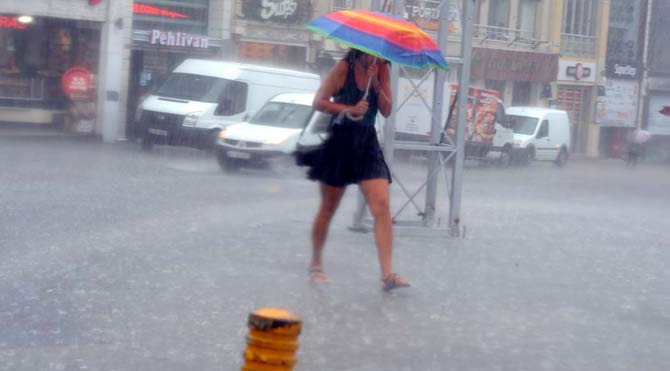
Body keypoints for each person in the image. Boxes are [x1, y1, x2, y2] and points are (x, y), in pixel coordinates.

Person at [307, 49, 410, 291]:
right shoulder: (344, 67)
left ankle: (388, 274)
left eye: (379, 51)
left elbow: (386, 110)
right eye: (372, 51)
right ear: (361, 48)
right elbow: (318, 102)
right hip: (341, 140)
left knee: (382, 206)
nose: (376, 55)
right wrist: (348, 109)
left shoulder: (383, 68)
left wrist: (376, 82)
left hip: (367, 142)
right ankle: (316, 264)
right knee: (329, 208)